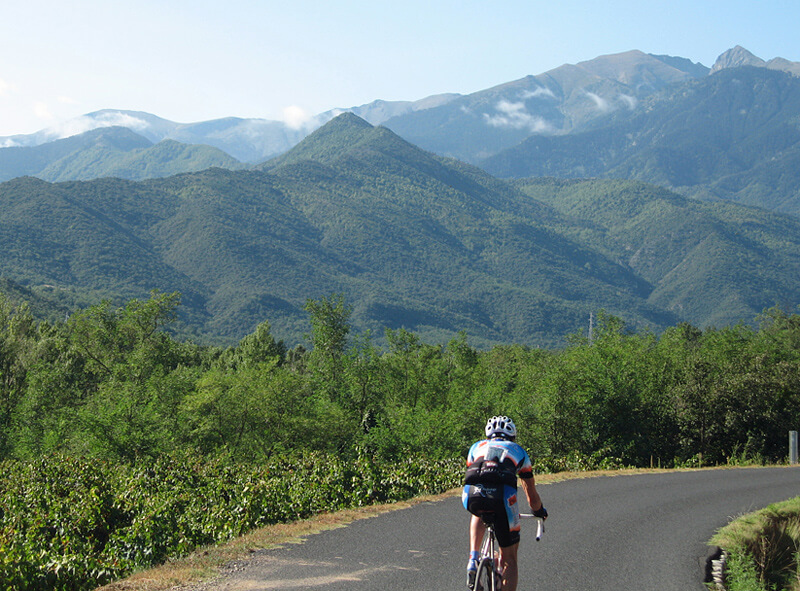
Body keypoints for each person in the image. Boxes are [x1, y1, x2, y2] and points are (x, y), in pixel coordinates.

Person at [462, 415, 547, 591]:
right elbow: (531, 496)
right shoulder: (519, 451)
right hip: (502, 498)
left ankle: (473, 558)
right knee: (510, 559)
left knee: (479, 508)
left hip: (470, 495)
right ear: (513, 436)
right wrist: (539, 511)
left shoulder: (476, 447)